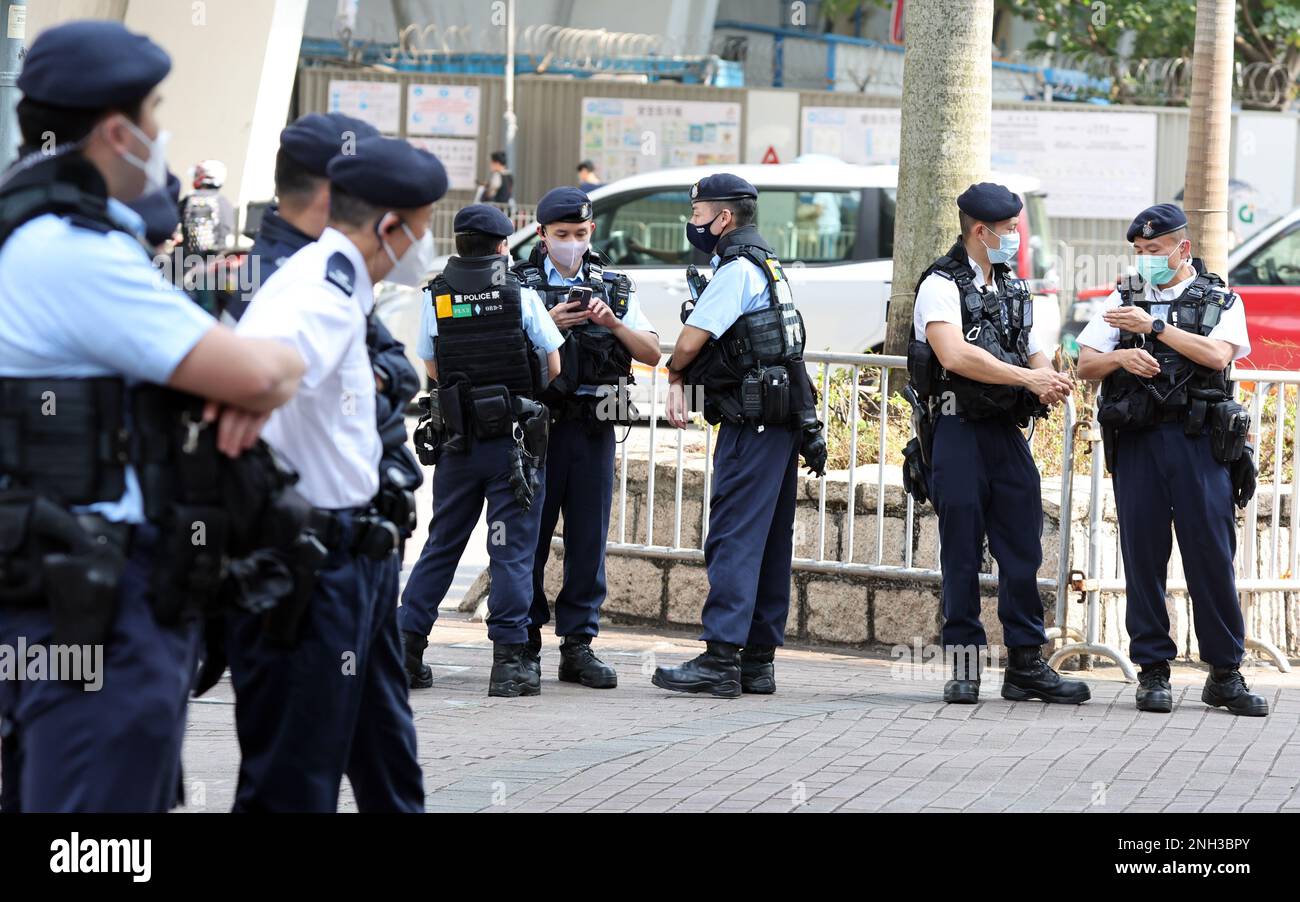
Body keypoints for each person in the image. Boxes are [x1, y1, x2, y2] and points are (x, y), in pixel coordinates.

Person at [0, 20, 304, 812]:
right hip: (92, 603)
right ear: (117, 133)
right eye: (155, 116)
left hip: (46, 585)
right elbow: (262, 369)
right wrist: (265, 372)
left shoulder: (22, 229)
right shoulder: (74, 250)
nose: (161, 138)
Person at [228, 135, 446, 811]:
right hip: (315, 573)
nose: (425, 250)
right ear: (389, 227)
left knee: (386, 758)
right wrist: (247, 397)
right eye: (423, 232)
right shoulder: (318, 292)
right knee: (293, 784)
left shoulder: (342, 280)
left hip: (362, 563)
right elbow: (259, 371)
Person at [1075, 203, 1267, 717]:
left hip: (1199, 444)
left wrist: (1154, 329)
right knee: (1143, 557)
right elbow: (1085, 361)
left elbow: (1218, 355)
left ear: (1182, 249)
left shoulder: (1219, 299)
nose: (1145, 260)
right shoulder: (1123, 297)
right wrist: (1121, 355)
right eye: (1139, 251)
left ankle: (1225, 674)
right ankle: (1153, 672)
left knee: (1210, 557)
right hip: (1139, 442)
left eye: (1154, 251)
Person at [904, 182, 1088, 706]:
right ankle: (964, 668)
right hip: (957, 431)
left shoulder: (1011, 286)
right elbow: (955, 355)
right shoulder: (940, 285)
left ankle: (1026, 665)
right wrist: (1027, 380)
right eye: (1008, 231)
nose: (1015, 238)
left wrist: (1047, 376)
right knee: (961, 551)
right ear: (980, 232)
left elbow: (1034, 350)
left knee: (1022, 547)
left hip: (1005, 433)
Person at [651, 174, 826, 698]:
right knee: (770, 540)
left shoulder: (736, 270)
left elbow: (689, 340)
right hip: (779, 422)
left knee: (733, 536)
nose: (695, 223)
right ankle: (757, 663)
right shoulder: (767, 263)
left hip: (751, 424)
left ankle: (720, 658)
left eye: (700, 213)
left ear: (723, 218)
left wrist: (676, 375)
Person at [225, 112, 423, 551]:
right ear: (335, 195)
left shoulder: (335, 266)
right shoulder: (294, 278)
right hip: (310, 529)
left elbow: (398, 369)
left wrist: (379, 375)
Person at [398, 204, 563, 697]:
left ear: (458, 243)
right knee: (511, 550)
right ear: (500, 247)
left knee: (442, 543)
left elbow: (431, 365)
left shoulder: (438, 295)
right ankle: (509, 666)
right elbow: (553, 365)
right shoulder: (521, 294)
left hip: (457, 439)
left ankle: (406, 651)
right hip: (513, 442)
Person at [513, 186, 660, 688]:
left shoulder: (614, 286)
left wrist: (613, 323)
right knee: (528, 540)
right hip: (535, 431)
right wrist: (545, 325)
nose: (571, 243)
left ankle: (578, 645)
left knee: (588, 540)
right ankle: (523, 641)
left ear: (591, 232)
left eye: (579, 234)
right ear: (541, 235)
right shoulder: (520, 285)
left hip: (594, 428)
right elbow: (501, 357)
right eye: (560, 235)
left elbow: (651, 353)